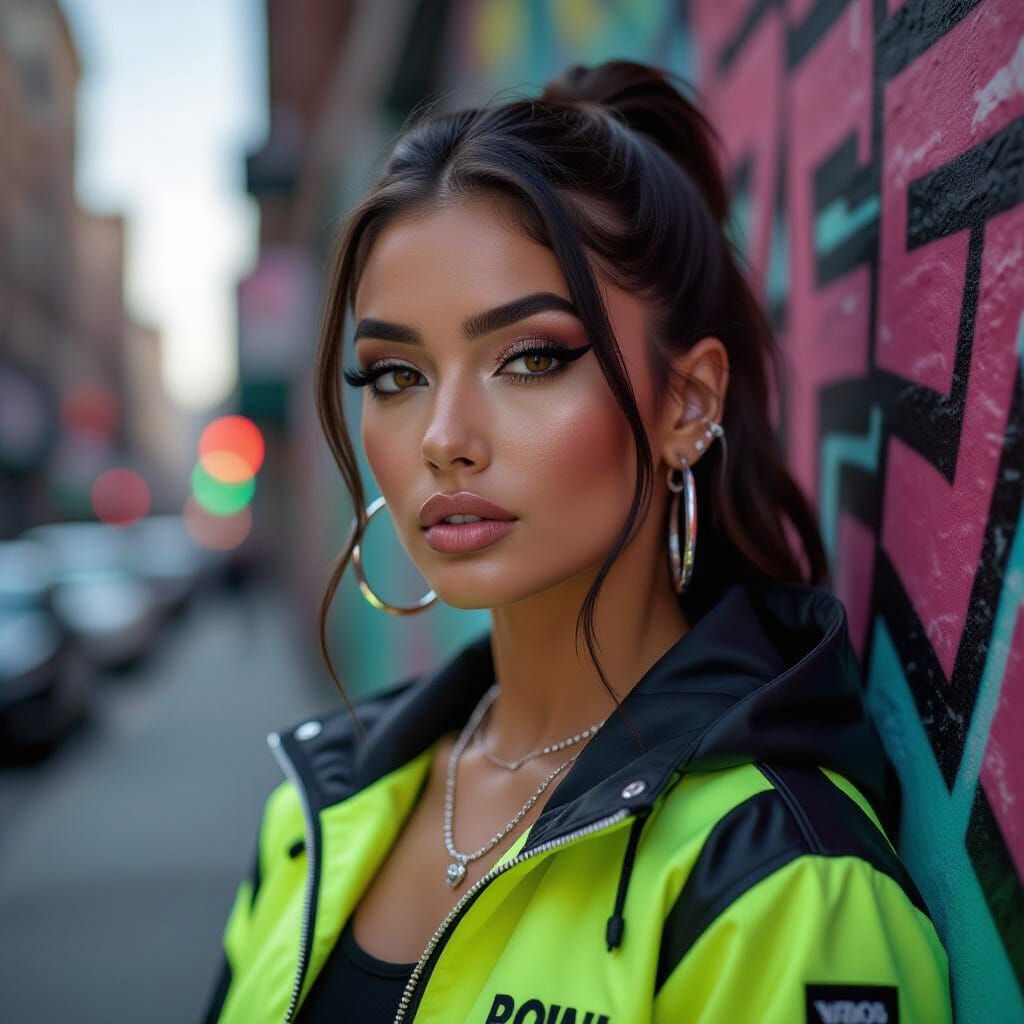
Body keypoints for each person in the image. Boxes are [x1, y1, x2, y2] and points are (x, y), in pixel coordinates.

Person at [200, 59, 953, 1024]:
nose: (442, 438)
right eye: (394, 375)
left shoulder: (781, 886)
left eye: (530, 358)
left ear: (688, 403)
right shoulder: (312, 818)